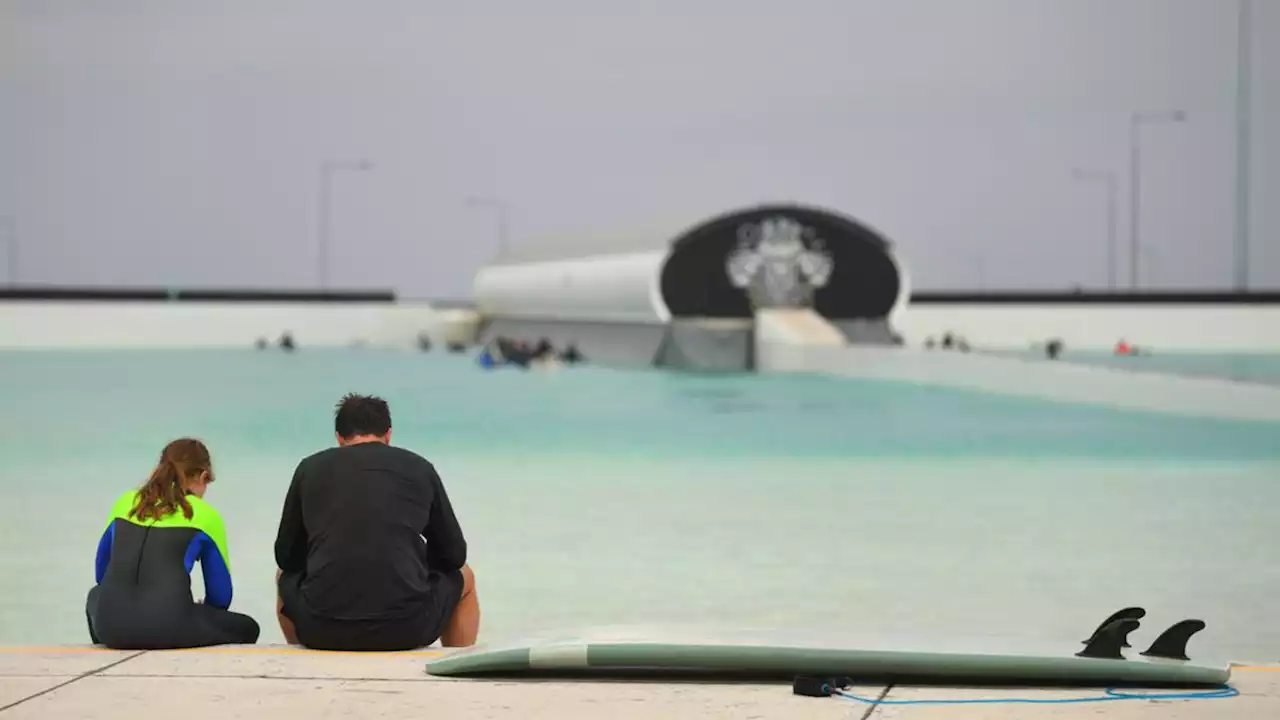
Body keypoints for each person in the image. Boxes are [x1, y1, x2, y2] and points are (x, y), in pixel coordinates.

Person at [273, 393, 480, 651]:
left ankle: (308, 657)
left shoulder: (309, 468)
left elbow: (286, 556)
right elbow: (454, 555)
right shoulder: (419, 468)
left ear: (339, 437)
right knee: (465, 576)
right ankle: (456, 662)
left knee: (283, 575)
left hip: (322, 630)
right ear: (388, 434)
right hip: (408, 628)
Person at [86, 438, 260, 649]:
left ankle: (109, 646)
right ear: (203, 476)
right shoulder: (206, 515)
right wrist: (199, 611)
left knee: (95, 595)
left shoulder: (126, 502)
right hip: (170, 628)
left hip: (110, 627)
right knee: (249, 627)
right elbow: (221, 597)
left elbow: (101, 575)